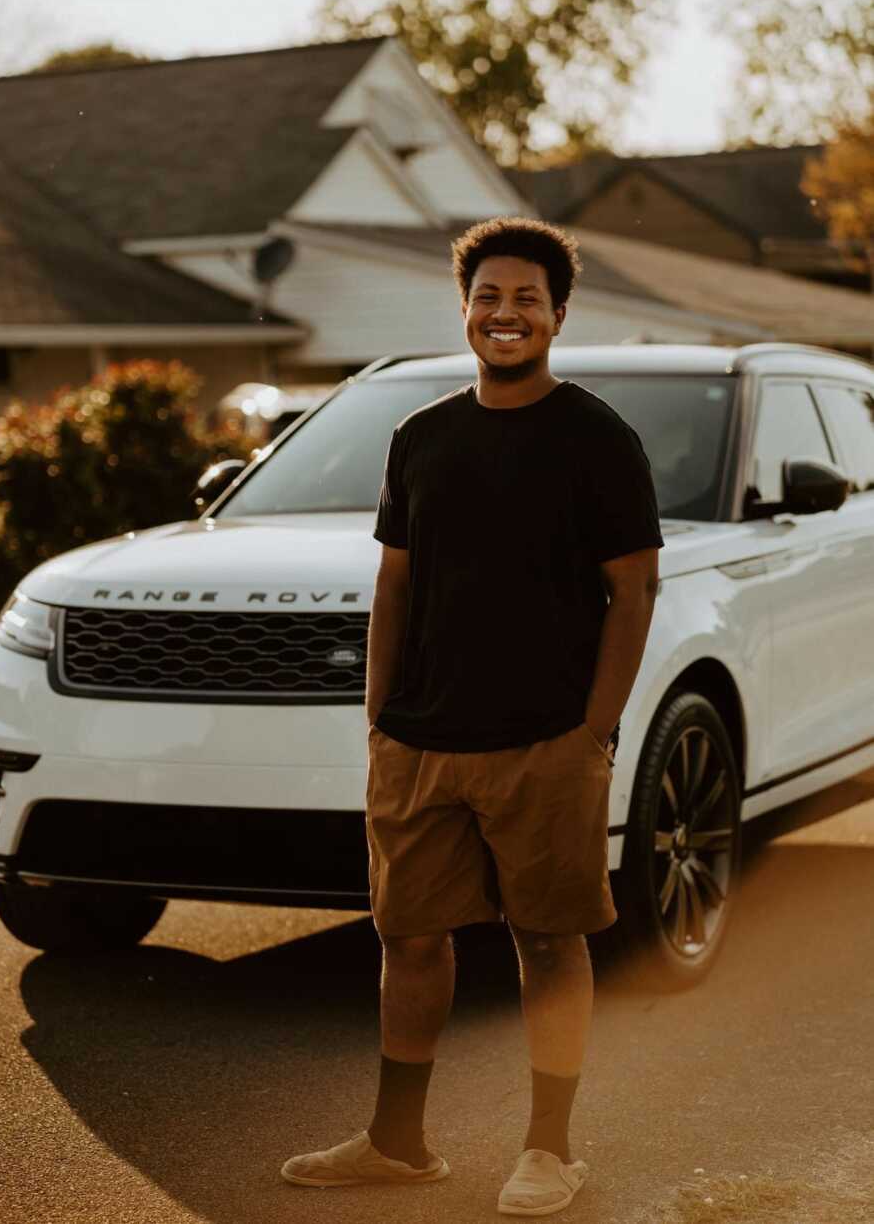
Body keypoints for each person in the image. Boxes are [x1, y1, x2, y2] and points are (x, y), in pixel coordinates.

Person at [282, 216, 663, 1215]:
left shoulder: (597, 438)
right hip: (419, 741)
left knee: (547, 939)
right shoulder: (422, 436)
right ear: (465, 309)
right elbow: (394, 586)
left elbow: (637, 590)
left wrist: (594, 730)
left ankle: (550, 1148)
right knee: (408, 937)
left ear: (557, 315)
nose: (506, 313)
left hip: (544, 740)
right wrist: (380, 716)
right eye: (488, 296)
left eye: (527, 299)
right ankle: (397, 1141)